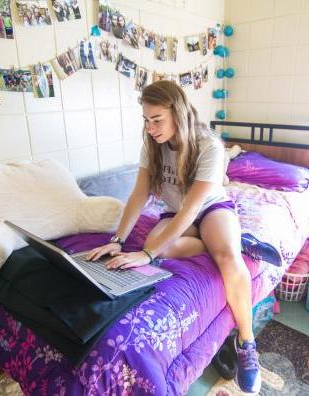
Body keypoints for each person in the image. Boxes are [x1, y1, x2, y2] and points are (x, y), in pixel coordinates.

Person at [85, 81, 261, 393]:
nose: (151, 128)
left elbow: (191, 209)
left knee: (228, 259)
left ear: (177, 114)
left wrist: (148, 253)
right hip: (175, 213)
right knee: (167, 248)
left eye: (157, 120)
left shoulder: (209, 147)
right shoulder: (152, 146)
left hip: (207, 208)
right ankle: (221, 240)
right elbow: (139, 194)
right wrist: (118, 239)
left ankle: (247, 343)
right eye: (146, 120)